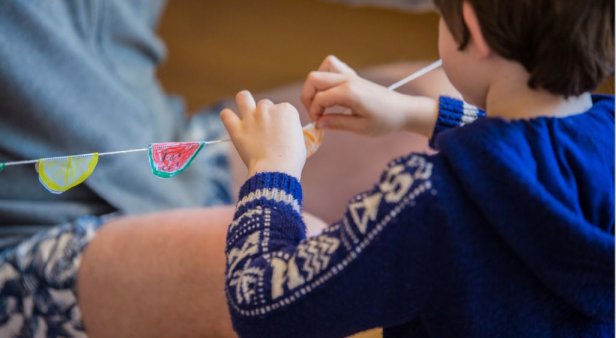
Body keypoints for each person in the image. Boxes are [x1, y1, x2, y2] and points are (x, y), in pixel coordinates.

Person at [220, 0, 614, 337]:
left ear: (472, 28)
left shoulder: (426, 201)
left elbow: (260, 307)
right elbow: (538, 149)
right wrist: (413, 112)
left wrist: (272, 172)